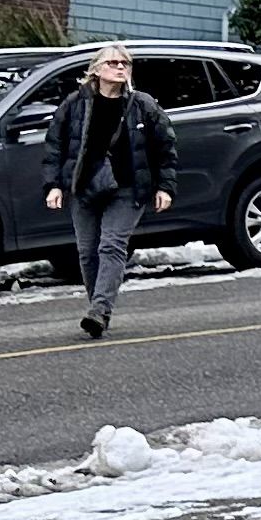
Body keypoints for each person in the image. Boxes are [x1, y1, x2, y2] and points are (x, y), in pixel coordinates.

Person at [44, 44, 174, 338]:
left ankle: (100, 310)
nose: (120, 68)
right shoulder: (75, 103)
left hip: (128, 188)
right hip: (84, 186)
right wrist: (54, 185)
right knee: (87, 252)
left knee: (112, 245)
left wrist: (165, 186)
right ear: (97, 69)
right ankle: (98, 310)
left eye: (125, 63)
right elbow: (55, 147)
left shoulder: (143, 104)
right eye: (113, 62)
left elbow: (165, 147)